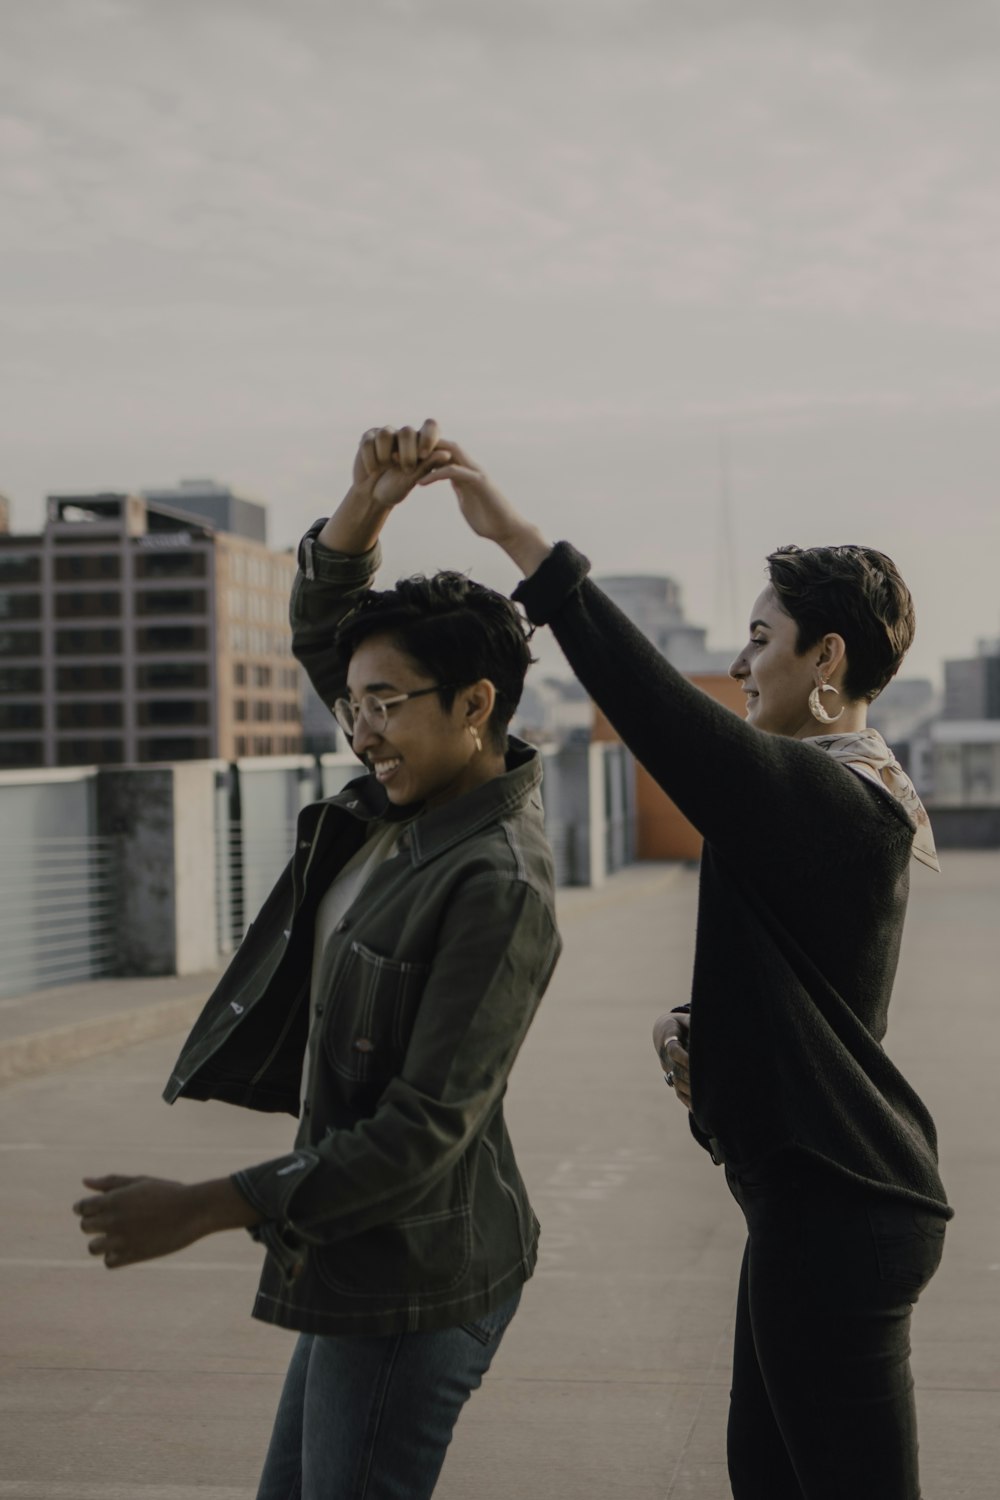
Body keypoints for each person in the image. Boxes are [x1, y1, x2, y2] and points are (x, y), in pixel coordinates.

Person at [419, 439, 950, 1500]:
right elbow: (828, 995)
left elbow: (658, 710)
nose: (742, 666)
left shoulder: (827, 797)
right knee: (764, 1475)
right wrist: (698, 1021)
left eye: (761, 641)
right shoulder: (845, 798)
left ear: (827, 661)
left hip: (834, 1211)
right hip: (817, 1203)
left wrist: (524, 546)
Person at [72, 421, 562, 1500]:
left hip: (419, 1280)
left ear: (477, 706)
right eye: (354, 703)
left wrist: (204, 1204)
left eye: (385, 705)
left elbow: (427, 1129)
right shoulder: (409, 798)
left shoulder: (495, 882)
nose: (360, 728)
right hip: (364, 1252)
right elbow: (333, 631)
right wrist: (368, 505)